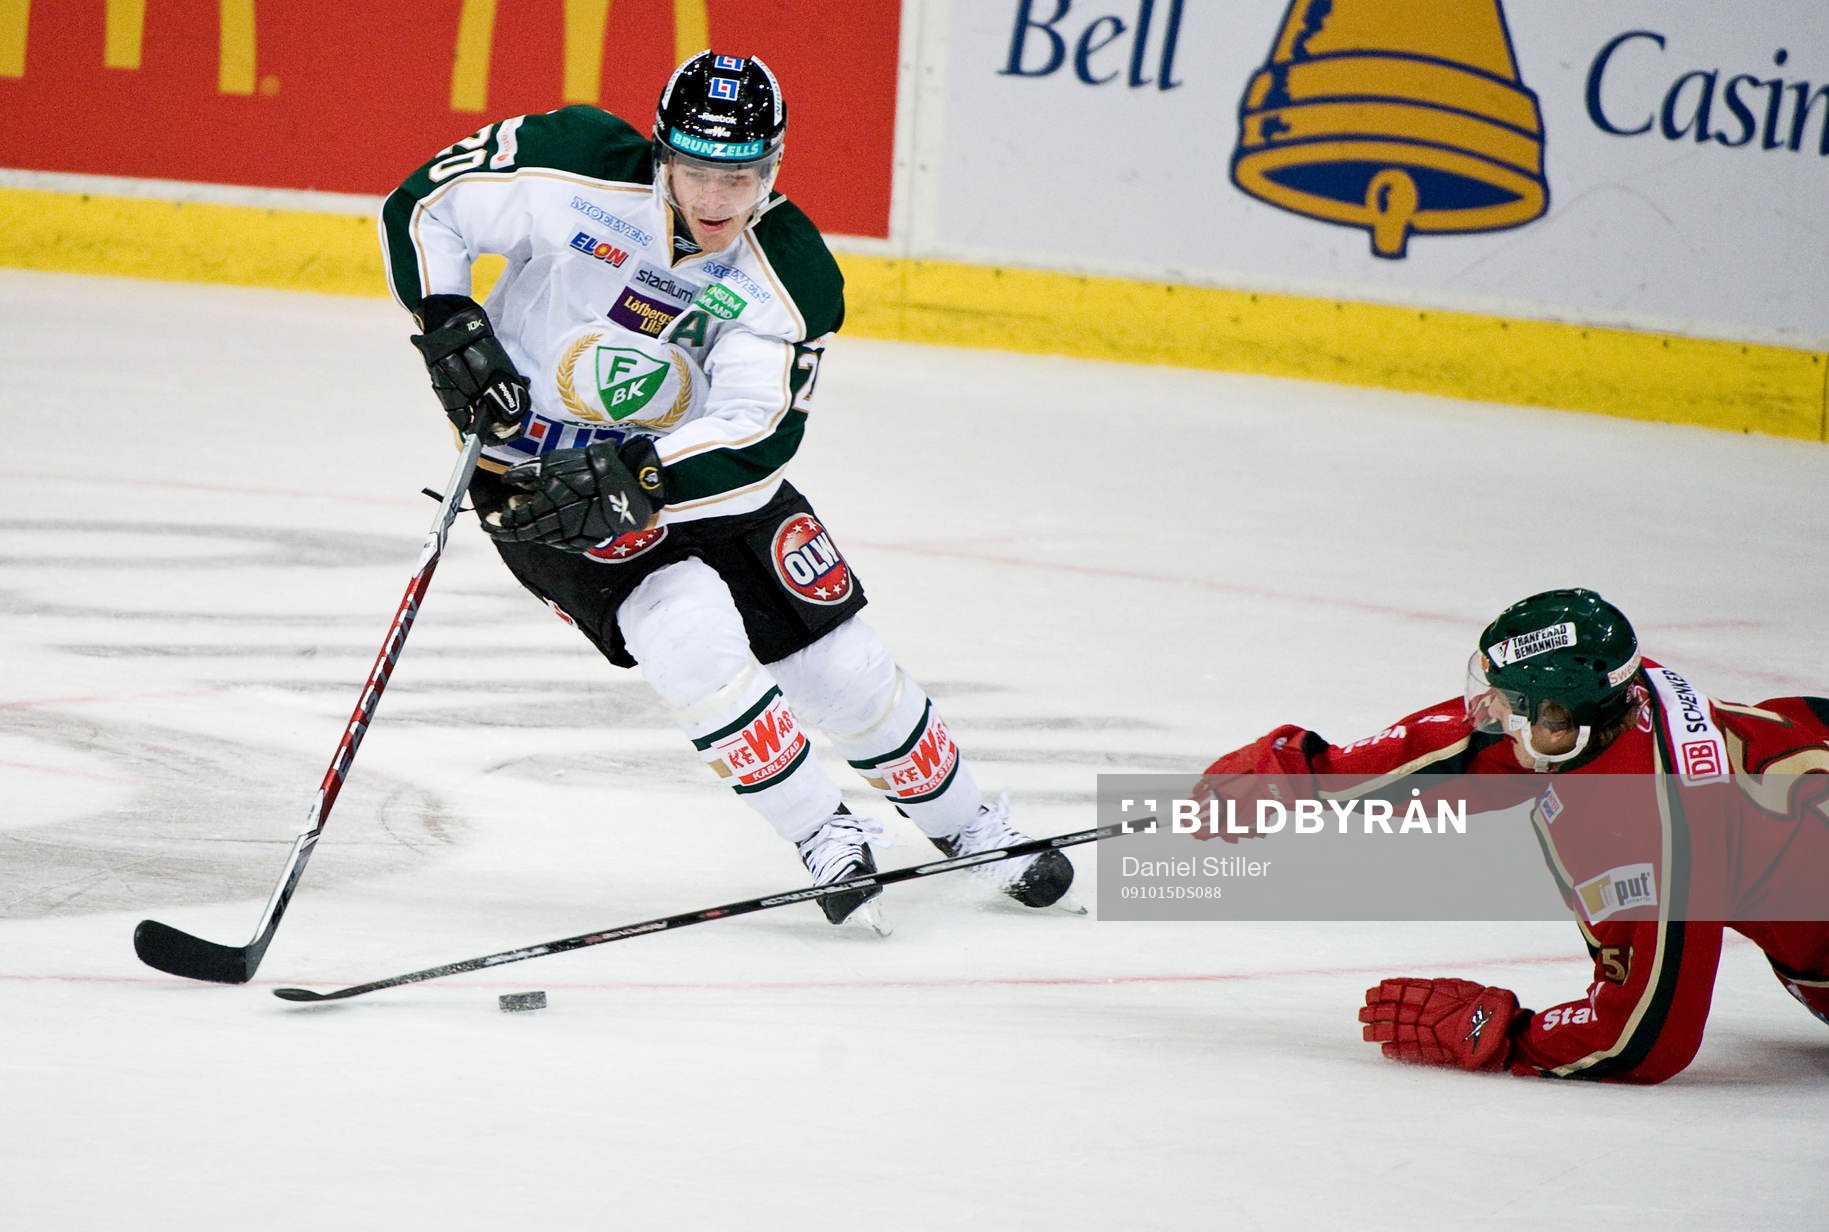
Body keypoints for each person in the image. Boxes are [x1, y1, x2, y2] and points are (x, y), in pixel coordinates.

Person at [378, 51, 1077, 931]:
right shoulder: (578, 159)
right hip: (536, 484)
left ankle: (972, 827)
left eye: (739, 177)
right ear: (661, 154)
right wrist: (448, 318)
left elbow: (759, 425)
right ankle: (824, 835)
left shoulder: (790, 270)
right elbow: (427, 207)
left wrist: (643, 478)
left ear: (772, 170)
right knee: (686, 639)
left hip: (698, 484)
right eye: (697, 172)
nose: (714, 199)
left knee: (843, 668)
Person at [1192, 588, 1829, 1083]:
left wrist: (1503, 1034)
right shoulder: (1617, 693)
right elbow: (1479, 748)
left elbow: (1643, 1038)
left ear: (1563, 719)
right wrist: (1307, 773)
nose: (1493, 712)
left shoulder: (1650, 823)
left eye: (1512, 701)